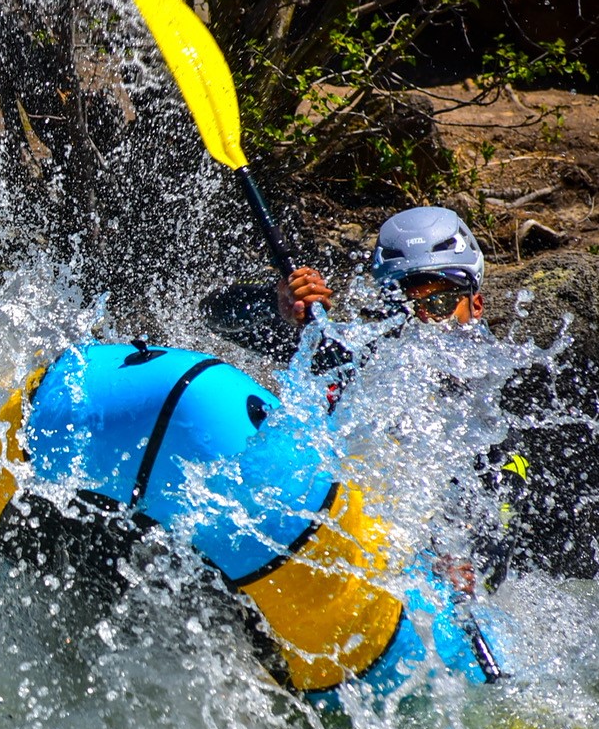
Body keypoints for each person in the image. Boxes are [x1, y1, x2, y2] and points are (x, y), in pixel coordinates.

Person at [202, 206, 531, 593]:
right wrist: (278, 306)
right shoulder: (353, 362)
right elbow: (214, 313)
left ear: (476, 305)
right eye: (404, 306)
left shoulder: (490, 426)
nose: (424, 320)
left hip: (414, 596)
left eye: (440, 304)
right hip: (331, 557)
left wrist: (467, 569)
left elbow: (498, 545)